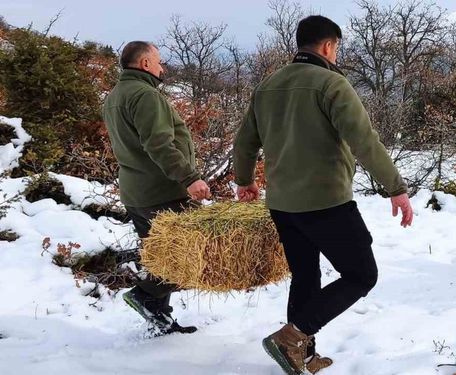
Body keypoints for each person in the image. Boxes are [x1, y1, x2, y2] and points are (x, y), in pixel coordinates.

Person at [233, 15, 413, 374]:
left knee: (305, 276)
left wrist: (245, 180)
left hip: (282, 204)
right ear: (329, 46)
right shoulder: (331, 84)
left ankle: (303, 353)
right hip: (326, 201)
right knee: (362, 275)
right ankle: (292, 337)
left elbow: (245, 141)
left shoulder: (268, 86)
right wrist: (396, 188)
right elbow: (364, 141)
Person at [103, 41, 211, 335]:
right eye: (159, 61)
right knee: (188, 254)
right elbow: (159, 144)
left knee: (160, 255)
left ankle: (160, 318)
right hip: (163, 192)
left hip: (136, 193)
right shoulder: (146, 95)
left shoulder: (115, 96)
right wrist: (190, 177)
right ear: (146, 64)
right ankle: (145, 295)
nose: (162, 67)